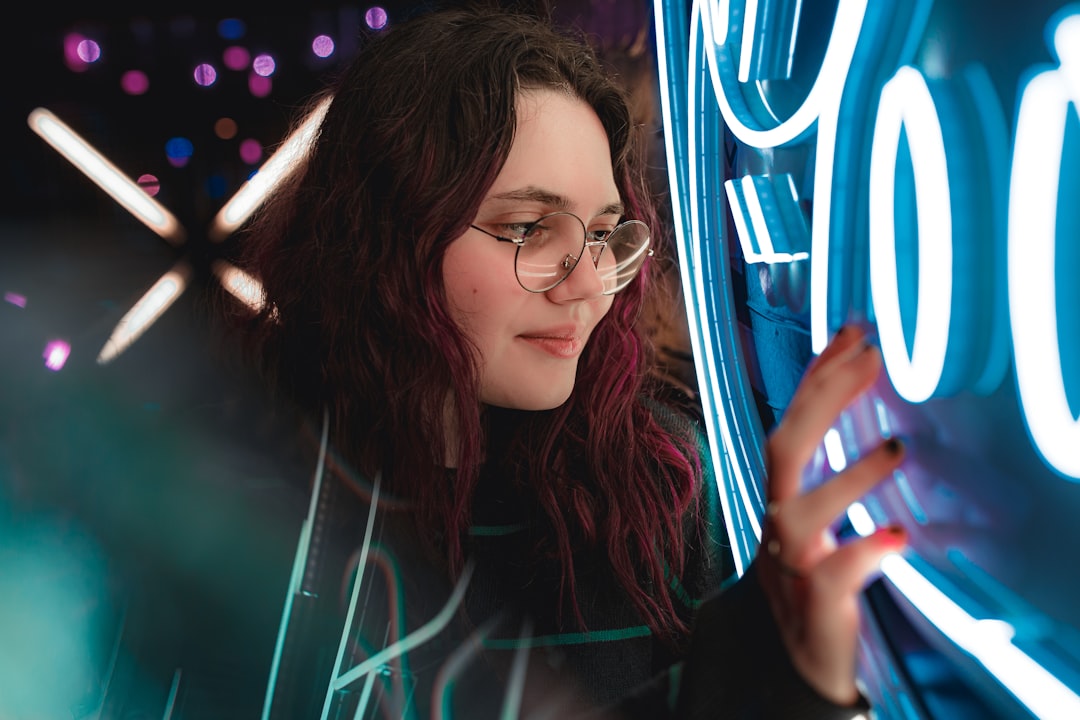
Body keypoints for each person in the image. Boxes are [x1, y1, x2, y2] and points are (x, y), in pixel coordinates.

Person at [216, 3, 908, 718]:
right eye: (527, 229)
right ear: (384, 233)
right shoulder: (227, 490)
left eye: (605, 233)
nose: (589, 284)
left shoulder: (663, 492)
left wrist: (782, 679)